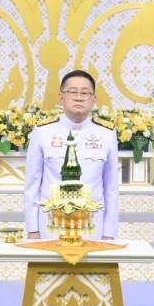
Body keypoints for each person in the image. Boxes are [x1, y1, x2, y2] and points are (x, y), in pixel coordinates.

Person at [24, 70, 120, 240]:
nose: (79, 97)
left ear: (94, 99)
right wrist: (32, 230)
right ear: (61, 97)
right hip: (51, 226)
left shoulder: (106, 133)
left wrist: (109, 233)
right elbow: (32, 185)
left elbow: (111, 188)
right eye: (73, 92)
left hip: (91, 227)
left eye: (85, 93)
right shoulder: (43, 131)